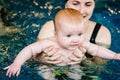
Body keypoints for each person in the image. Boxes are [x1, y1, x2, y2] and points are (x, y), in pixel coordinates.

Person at [4, 8, 120, 80]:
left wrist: (115, 56)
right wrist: (17, 63)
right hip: (48, 67)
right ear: (55, 33)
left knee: (76, 75)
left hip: (73, 67)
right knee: (47, 75)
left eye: (80, 34)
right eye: (68, 36)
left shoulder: (82, 43)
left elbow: (98, 50)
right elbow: (29, 50)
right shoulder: (49, 42)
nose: (75, 40)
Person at [36, 0, 111, 75]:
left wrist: (84, 60)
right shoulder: (50, 28)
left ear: (93, 6)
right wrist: (41, 58)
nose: (81, 11)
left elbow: (99, 70)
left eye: (88, 5)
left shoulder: (101, 34)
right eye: (75, 4)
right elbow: (30, 60)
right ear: (66, 5)